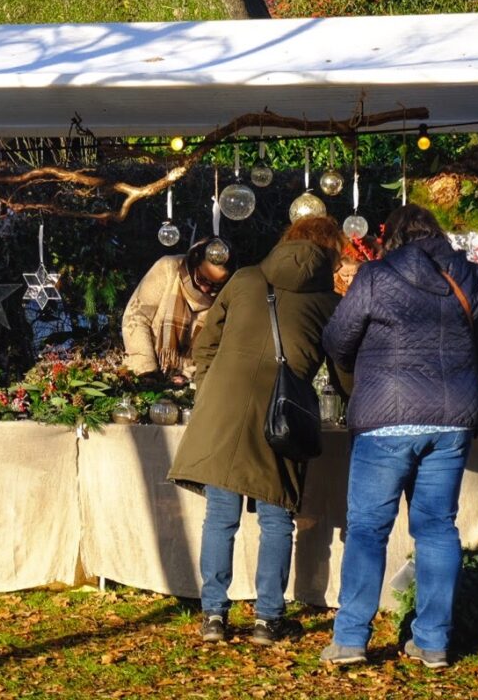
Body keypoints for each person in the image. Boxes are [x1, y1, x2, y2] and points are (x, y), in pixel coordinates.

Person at [319, 205, 478, 669]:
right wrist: (468, 363)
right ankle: (432, 641)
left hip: (385, 420)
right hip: (451, 419)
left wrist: (370, 366)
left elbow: (336, 341)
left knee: (368, 530)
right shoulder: (471, 276)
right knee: (437, 529)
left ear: (391, 238)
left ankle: (351, 639)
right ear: (436, 235)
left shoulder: (375, 277)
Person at [167, 216, 352, 645]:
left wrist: (210, 386)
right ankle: (268, 620)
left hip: (223, 407)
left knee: (220, 516)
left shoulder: (246, 278)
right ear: (329, 252)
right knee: (275, 517)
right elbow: (344, 372)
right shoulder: (329, 302)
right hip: (282, 414)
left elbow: (206, 342)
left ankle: (214, 616)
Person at [122, 238, 230, 382]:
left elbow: (212, 346)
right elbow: (135, 316)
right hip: (146, 371)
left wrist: (188, 374)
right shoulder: (168, 267)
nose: (206, 289)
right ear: (193, 265)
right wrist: (146, 368)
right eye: (202, 279)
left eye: (214, 285)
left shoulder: (224, 296)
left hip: (189, 381)